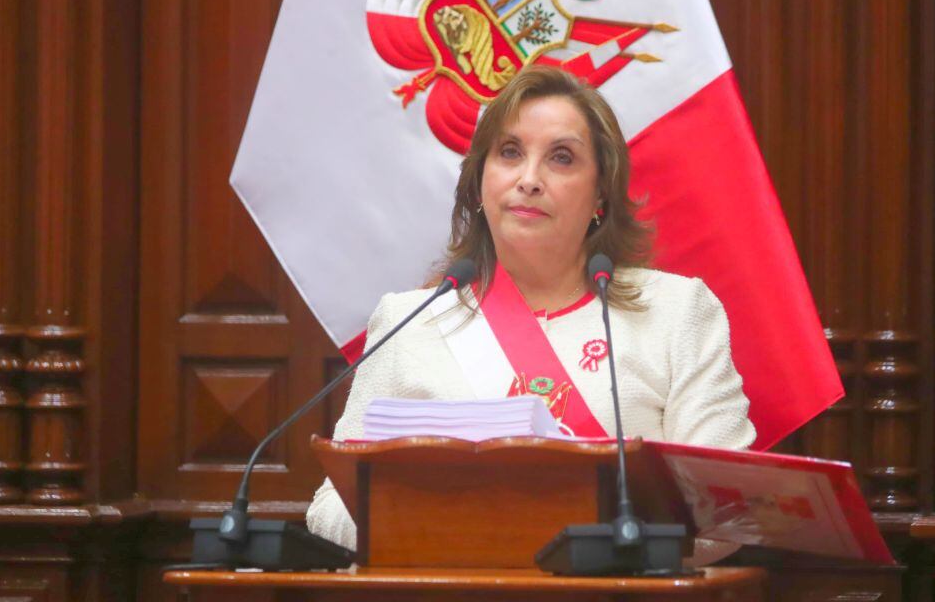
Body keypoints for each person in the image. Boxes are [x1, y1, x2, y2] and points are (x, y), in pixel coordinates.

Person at [306, 67, 755, 556]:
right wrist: (448, 532)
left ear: (601, 193)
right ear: (480, 180)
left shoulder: (676, 312)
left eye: (561, 158)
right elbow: (331, 509)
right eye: (510, 152)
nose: (529, 179)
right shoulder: (406, 321)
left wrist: (599, 551)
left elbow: (724, 512)